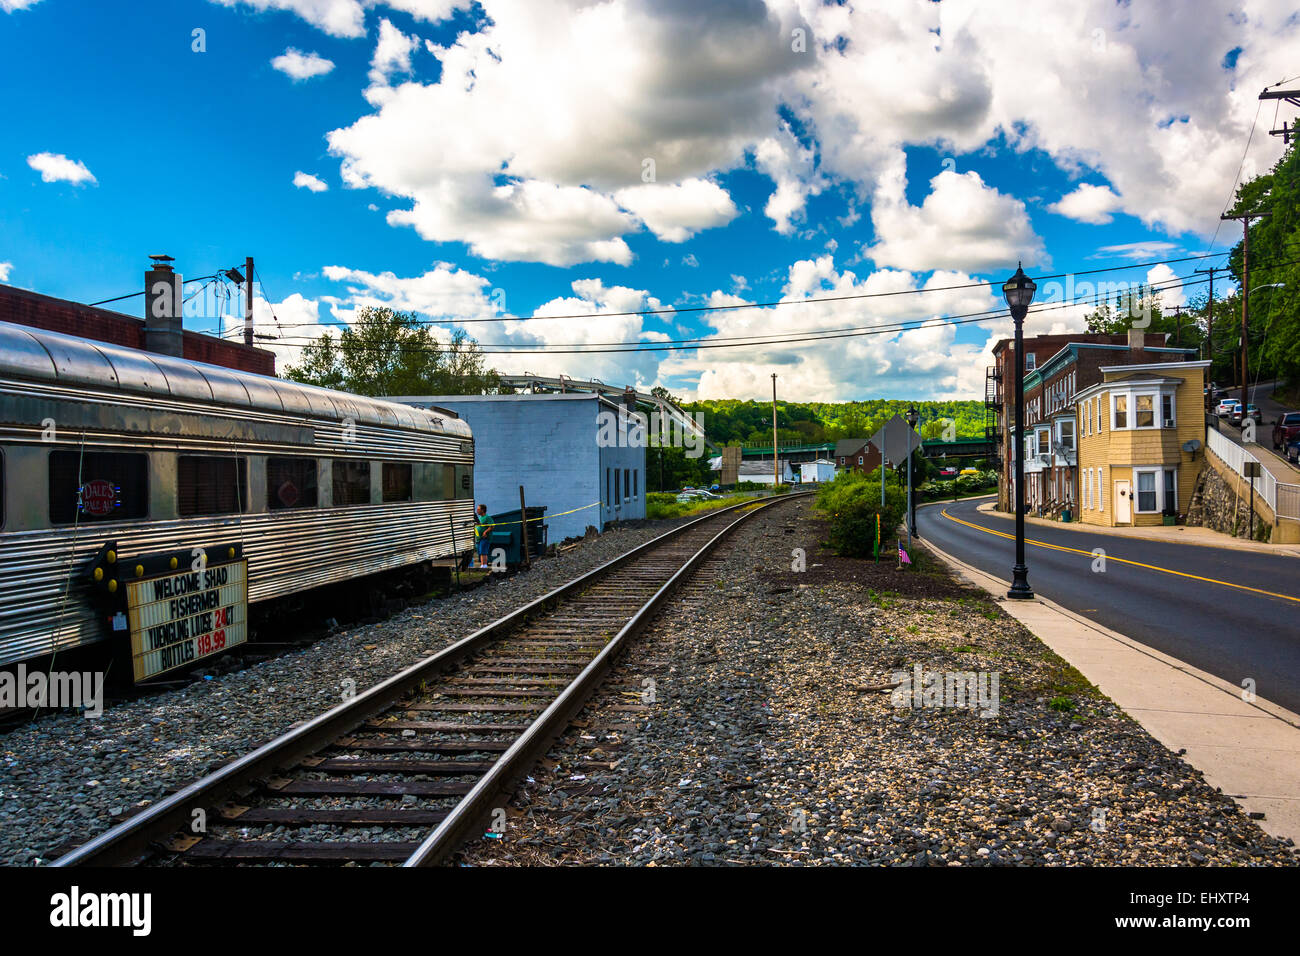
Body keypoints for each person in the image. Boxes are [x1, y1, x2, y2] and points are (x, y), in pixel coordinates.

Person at [473, 504, 494, 569]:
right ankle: (482, 564)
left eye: (478, 509)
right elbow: (480, 525)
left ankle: (484, 565)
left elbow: (492, 526)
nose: (477, 510)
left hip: (485, 538)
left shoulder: (487, 517)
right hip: (479, 538)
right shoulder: (480, 518)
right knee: (480, 551)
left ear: (482, 510)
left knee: (483, 552)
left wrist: (485, 532)